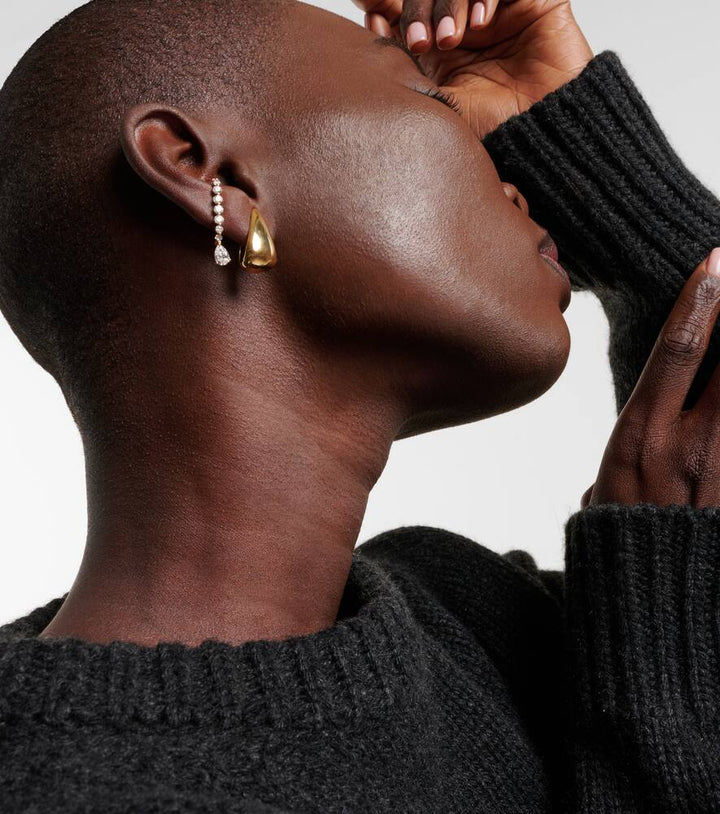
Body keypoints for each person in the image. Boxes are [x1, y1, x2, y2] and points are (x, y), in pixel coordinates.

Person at [1, 0, 720, 811]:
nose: (515, 178)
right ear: (210, 175)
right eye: (434, 102)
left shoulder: (473, 620)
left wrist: (618, 191)